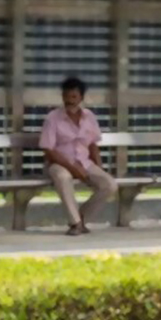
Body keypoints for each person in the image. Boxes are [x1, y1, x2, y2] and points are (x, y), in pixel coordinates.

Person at [39, 76, 118, 236]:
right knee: (63, 177)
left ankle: (81, 217)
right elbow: (49, 149)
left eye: (74, 97)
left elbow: (92, 144)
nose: (69, 101)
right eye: (66, 96)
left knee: (109, 185)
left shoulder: (89, 117)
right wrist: (73, 168)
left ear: (81, 97)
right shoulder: (53, 118)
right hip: (59, 163)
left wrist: (99, 168)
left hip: (85, 162)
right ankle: (75, 223)